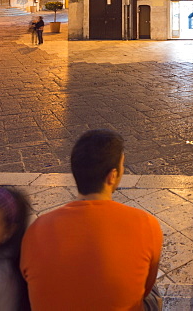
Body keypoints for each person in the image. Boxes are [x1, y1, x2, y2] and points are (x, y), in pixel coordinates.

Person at [20, 129, 162, 310]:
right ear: (112, 176)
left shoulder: (37, 229)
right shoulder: (145, 224)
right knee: (152, 290)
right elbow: (145, 288)